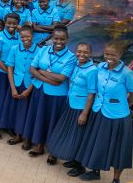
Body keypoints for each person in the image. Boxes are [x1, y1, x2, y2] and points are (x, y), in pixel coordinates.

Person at [73, 43, 133, 183]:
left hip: (117, 116)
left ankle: (116, 179)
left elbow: (132, 94)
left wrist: (124, 105)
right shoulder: (100, 67)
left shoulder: (127, 73)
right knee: (96, 142)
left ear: (120, 55)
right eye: (107, 54)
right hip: (98, 111)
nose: (109, 57)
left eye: (113, 55)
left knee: (118, 148)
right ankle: (95, 171)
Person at [22, 24, 77, 162]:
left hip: (57, 96)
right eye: (56, 38)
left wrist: (41, 71)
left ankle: (53, 151)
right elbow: (32, 69)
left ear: (67, 39)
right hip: (40, 90)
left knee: (52, 122)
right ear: (52, 37)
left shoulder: (71, 57)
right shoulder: (43, 50)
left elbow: (61, 78)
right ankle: (39, 145)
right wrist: (47, 78)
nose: (58, 42)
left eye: (62, 39)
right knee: (39, 118)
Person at [46, 43, 97, 177]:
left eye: (85, 52)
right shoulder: (76, 65)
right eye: (79, 51)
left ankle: (80, 166)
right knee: (72, 135)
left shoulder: (92, 70)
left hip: (80, 108)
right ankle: (73, 160)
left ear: (90, 54)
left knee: (79, 137)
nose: (81, 54)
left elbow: (91, 94)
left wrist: (84, 114)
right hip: (71, 104)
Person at [1, 26, 39, 147]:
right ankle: (18, 135)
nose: (25, 39)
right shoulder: (15, 48)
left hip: (30, 85)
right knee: (17, 110)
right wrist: (12, 88)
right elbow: (10, 68)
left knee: (28, 112)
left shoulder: (39, 51)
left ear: (32, 36)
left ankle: (27, 138)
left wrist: (29, 90)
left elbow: (38, 73)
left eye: (28, 36)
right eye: (22, 36)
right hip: (16, 83)